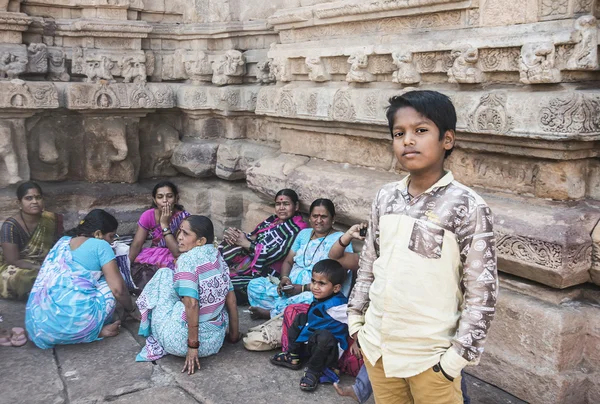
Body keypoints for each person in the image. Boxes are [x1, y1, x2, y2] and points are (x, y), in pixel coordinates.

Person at [347, 90, 497, 404]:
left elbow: (481, 290)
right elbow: (369, 263)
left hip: (430, 358)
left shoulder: (467, 206)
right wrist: (356, 323)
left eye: (421, 130)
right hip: (379, 351)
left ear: (448, 139)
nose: (408, 140)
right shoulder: (386, 197)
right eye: (399, 133)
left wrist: (455, 360)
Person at [135, 215, 240, 375]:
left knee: (163, 274)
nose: (179, 237)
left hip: (181, 343)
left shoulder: (187, 260)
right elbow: (231, 299)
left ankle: (152, 332)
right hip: (215, 341)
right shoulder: (217, 255)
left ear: (201, 241)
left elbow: (192, 304)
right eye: (179, 232)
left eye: (185, 233)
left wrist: (192, 347)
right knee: (175, 280)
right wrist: (233, 336)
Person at [25, 209, 138, 349]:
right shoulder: (101, 245)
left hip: (41, 326)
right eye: (111, 236)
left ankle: (80, 330)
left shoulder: (62, 242)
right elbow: (118, 290)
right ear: (97, 234)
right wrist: (131, 309)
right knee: (111, 282)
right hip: (75, 323)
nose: (112, 241)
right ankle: (95, 330)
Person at [247, 198, 352, 319]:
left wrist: (303, 288)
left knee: (309, 300)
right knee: (254, 285)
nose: (319, 220)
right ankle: (284, 311)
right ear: (309, 217)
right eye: (315, 216)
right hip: (290, 288)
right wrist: (285, 279)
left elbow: (340, 275)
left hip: (317, 292)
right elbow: (288, 261)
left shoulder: (341, 240)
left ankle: (271, 313)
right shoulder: (304, 234)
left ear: (333, 219)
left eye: (324, 216)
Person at [271, 259, 349, 392]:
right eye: (313, 281)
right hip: (314, 342)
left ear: (336, 288)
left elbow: (355, 320)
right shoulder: (322, 296)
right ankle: (293, 355)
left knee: (324, 336)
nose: (315, 287)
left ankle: (314, 371)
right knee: (301, 318)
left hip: (329, 351)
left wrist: (356, 343)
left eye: (322, 284)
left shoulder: (339, 306)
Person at [221, 189, 306, 304]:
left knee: (226, 284)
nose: (281, 208)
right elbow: (254, 237)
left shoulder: (297, 229)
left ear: (296, 206)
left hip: (267, 273)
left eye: (286, 204)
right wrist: (234, 234)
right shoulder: (272, 221)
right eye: (278, 204)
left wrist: (246, 244)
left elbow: (275, 254)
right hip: (250, 262)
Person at [0, 181, 63, 300]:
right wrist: (38, 269)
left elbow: (59, 248)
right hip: (18, 267)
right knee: (24, 279)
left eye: (38, 197)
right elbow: (13, 260)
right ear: (19, 203)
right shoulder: (10, 225)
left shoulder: (51, 220)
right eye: (28, 198)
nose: (34, 202)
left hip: (45, 264)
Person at [129, 181, 190, 291]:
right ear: (154, 200)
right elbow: (137, 244)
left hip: (175, 253)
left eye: (169, 196)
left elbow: (177, 252)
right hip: (155, 254)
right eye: (160, 197)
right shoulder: (148, 215)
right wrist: (127, 267)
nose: (165, 200)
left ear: (176, 198)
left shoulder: (184, 218)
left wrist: (164, 224)